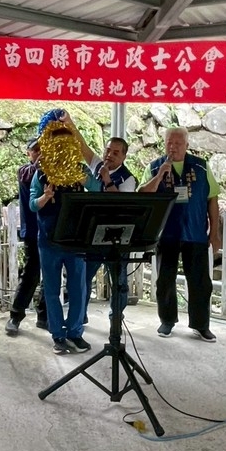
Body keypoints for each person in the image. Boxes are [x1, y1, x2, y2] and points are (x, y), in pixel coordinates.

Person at [139, 127, 220, 342]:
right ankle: (167, 320)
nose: (172, 147)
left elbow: (212, 199)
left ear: (187, 145)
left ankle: (201, 325)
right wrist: (159, 175)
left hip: (195, 232)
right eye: (169, 143)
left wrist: (215, 233)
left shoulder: (201, 166)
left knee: (200, 281)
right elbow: (143, 193)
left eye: (177, 143)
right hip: (167, 233)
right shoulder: (154, 166)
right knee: (165, 280)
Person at [62, 112, 136, 320]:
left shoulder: (128, 179)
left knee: (118, 280)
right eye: (107, 150)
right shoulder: (97, 165)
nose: (109, 155)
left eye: (115, 153)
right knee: (84, 275)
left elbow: (121, 204)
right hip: (93, 232)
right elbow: (83, 147)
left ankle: (116, 317)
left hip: (118, 235)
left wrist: (107, 180)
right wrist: (70, 123)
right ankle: (80, 315)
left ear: (123, 157)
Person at [30, 125, 96, 355]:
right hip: (49, 240)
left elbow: (97, 188)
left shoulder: (80, 170)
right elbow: (32, 204)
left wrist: (89, 179)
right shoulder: (42, 172)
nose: (63, 149)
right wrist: (45, 197)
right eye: (58, 145)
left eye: (68, 144)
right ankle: (58, 334)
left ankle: (75, 332)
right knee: (51, 290)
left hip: (77, 239)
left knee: (79, 287)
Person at [5, 137, 48, 336]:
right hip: (32, 231)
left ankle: (44, 316)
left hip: (51, 230)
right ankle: (16, 315)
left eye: (42, 149)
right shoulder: (25, 171)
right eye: (35, 150)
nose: (39, 153)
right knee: (31, 273)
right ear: (28, 153)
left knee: (51, 275)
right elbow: (29, 174)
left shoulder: (54, 172)